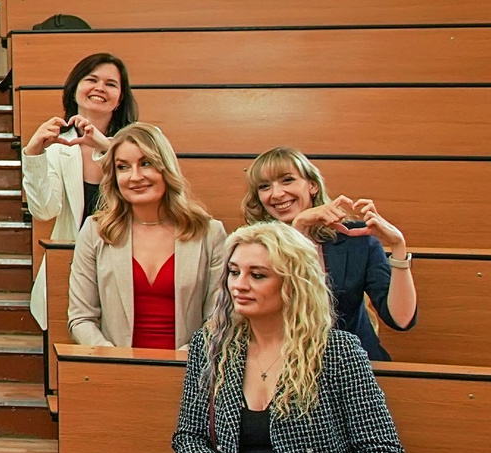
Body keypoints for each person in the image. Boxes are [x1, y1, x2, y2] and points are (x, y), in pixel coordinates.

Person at [173, 221, 404, 453]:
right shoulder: (211, 344)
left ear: (293, 284)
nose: (239, 285)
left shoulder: (336, 350)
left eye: (257, 275)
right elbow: (189, 437)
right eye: (234, 272)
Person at [240, 148, 417, 362]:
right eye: (264, 186)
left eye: (287, 180)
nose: (276, 194)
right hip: (284, 366)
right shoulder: (250, 247)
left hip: (355, 367)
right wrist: (298, 229)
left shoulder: (355, 239)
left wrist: (398, 245)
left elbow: (401, 319)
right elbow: (279, 313)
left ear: (313, 186)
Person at [68, 123, 228, 351]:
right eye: (123, 167)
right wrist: (113, 359)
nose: (135, 177)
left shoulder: (209, 233)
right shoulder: (95, 232)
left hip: (189, 365)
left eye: (146, 163)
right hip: (115, 364)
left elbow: (219, 319)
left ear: (166, 168)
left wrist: (186, 359)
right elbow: (81, 318)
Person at [22, 51, 137, 332]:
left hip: (127, 266)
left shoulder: (139, 142)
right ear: (75, 90)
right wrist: (34, 154)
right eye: (92, 80)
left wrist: (107, 147)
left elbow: (150, 191)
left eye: (111, 84)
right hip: (70, 268)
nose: (100, 88)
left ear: (120, 98)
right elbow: (44, 211)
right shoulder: (58, 147)